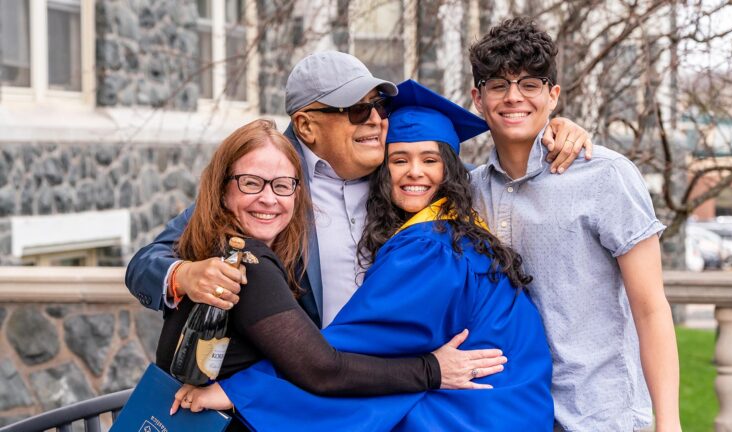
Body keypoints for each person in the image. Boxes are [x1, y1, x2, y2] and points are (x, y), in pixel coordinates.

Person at [178, 80, 553, 431]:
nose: (414, 172)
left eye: (430, 160)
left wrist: (238, 391)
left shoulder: (430, 247)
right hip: (511, 407)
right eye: (399, 160)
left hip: (473, 412)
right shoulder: (464, 232)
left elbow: (349, 346)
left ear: (451, 171)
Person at [124, 50, 592, 330]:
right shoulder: (270, 186)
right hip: (293, 395)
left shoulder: (403, 178)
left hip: (389, 389)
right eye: (355, 109)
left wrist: (555, 132)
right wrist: (182, 277)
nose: (376, 120)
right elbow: (147, 262)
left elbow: (482, 176)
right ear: (306, 125)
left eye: (378, 106)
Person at [467, 18, 681, 431]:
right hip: (513, 412)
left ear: (553, 95)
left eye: (529, 84)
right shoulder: (470, 191)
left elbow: (651, 307)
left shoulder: (605, 175)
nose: (514, 97)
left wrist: (668, 422)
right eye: (498, 85)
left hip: (600, 413)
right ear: (478, 98)